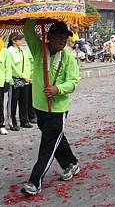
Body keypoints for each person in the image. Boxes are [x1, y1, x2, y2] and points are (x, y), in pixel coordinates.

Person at [21, 20, 80, 196]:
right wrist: (37, 13)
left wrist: (58, 89)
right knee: (56, 140)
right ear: (50, 37)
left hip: (57, 109)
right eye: (60, 37)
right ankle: (71, 163)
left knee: (47, 146)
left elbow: (74, 82)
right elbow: (28, 30)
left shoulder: (68, 57)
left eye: (66, 37)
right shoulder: (38, 49)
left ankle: (34, 182)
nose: (63, 40)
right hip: (40, 107)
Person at [7, 33, 33, 131]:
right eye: (20, 39)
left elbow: (27, 64)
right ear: (14, 40)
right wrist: (22, 76)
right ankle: (12, 122)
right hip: (16, 79)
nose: (22, 41)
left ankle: (24, 120)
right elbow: (12, 66)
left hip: (25, 78)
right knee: (13, 101)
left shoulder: (23, 50)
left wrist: (27, 76)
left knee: (24, 101)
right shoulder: (9, 51)